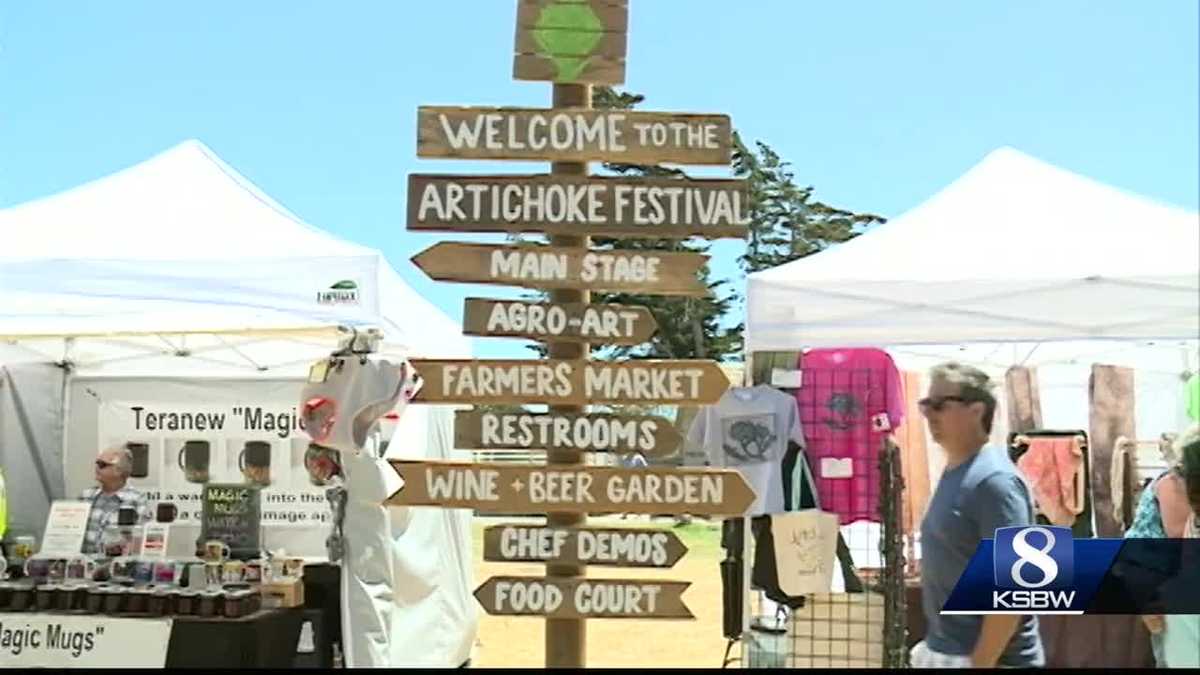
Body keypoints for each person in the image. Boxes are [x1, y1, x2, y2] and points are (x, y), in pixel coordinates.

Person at [912, 363, 1044, 668]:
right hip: (952, 651)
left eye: (941, 404)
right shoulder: (958, 471)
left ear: (977, 410)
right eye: (926, 405)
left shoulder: (996, 481)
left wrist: (981, 663)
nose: (929, 414)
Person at [79, 445, 151, 555]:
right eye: (97, 463)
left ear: (119, 471)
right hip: (83, 566)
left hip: (118, 567)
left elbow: (144, 539)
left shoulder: (137, 500)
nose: (97, 468)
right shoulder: (86, 496)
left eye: (102, 464)